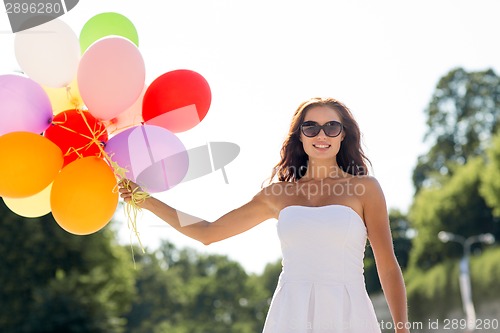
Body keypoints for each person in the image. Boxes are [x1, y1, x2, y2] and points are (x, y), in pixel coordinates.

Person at [119, 97, 410, 333]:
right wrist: (145, 201)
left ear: (343, 134)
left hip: (349, 312)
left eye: (331, 127)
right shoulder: (277, 195)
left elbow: (387, 266)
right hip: (290, 315)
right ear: (300, 136)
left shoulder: (364, 188)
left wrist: (402, 330)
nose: (321, 135)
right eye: (311, 128)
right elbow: (208, 232)